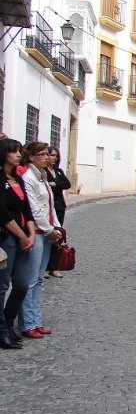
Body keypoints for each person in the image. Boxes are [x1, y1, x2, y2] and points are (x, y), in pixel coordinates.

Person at [20, 142, 62, 338]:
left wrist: (57, 227)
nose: (47, 157)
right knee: (30, 280)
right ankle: (27, 323)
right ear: (31, 157)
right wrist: (48, 229)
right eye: (43, 154)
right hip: (37, 233)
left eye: (47, 154)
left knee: (37, 280)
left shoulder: (42, 176)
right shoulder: (28, 178)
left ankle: (36, 320)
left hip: (46, 234)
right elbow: (34, 209)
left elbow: (50, 205)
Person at [0, 139, 35, 349]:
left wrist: (30, 233)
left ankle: (7, 322)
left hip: (24, 236)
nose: (18, 154)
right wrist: (21, 236)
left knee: (22, 284)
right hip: (7, 238)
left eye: (19, 151)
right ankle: (3, 331)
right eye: (14, 151)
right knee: (2, 286)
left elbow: (27, 208)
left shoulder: (18, 178)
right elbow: (2, 213)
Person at [44, 146, 71, 279]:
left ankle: (53, 266)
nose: (54, 158)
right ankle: (44, 267)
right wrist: (56, 183)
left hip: (59, 206)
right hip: (48, 207)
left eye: (56, 155)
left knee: (58, 235)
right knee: (48, 235)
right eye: (51, 155)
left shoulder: (58, 171)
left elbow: (67, 184)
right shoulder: (43, 171)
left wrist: (55, 184)